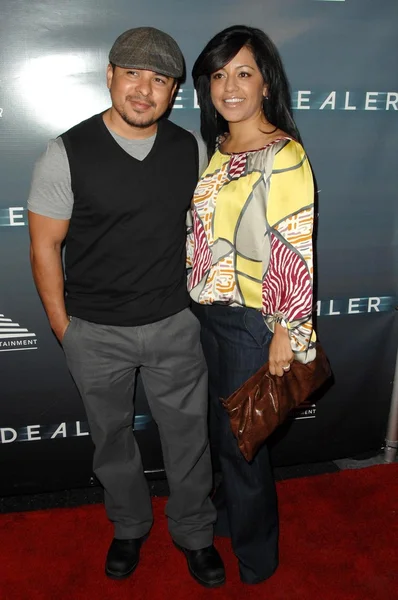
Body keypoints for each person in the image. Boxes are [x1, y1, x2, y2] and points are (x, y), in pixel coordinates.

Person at [27, 27, 225, 588]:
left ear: (174, 91)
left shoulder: (191, 148)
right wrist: (66, 329)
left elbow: (206, 236)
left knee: (190, 440)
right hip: (95, 330)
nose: (145, 89)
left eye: (160, 79)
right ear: (109, 74)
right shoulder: (65, 152)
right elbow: (44, 247)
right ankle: (130, 524)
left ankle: (195, 533)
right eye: (133, 73)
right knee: (111, 440)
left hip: (173, 324)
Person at [188, 25, 317, 584]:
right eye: (218, 75)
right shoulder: (219, 148)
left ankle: (258, 559)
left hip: (253, 323)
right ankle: (228, 518)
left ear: (266, 83)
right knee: (222, 433)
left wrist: (287, 331)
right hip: (208, 315)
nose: (229, 86)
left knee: (243, 444)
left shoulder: (282, 154)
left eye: (243, 72)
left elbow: (295, 243)